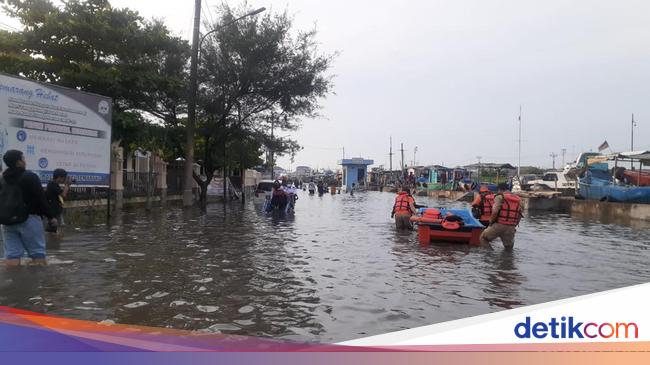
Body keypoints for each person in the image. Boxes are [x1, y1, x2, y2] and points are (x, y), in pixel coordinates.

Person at [0, 150, 57, 266]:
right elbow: (41, 199)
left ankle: (12, 282)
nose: (25, 161)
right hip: (29, 219)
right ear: (18, 162)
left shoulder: (2, 179)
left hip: (6, 222)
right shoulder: (30, 176)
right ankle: (35, 283)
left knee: (11, 256)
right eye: (23, 159)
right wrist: (51, 217)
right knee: (38, 255)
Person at [479, 183, 523, 250]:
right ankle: (507, 259)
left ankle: (490, 256)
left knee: (483, 238)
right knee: (509, 248)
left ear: (499, 189)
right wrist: (514, 225)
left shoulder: (500, 196)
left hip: (499, 224)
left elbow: (495, 211)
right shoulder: (518, 199)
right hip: (511, 227)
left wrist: (491, 222)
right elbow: (520, 215)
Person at [45, 168, 71, 232]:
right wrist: (67, 185)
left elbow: (62, 196)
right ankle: (53, 240)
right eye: (64, 178)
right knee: (57, 230)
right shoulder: (52, 184)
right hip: (53, 212)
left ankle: (54, 241)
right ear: (59, 177)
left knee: (59, 229)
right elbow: (63, 195)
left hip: (56, 211)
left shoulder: (54, 184)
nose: (64, 180)